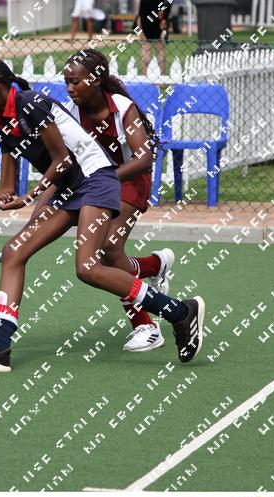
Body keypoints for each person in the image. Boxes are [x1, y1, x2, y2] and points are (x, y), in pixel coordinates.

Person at [0, 58, 205, 372]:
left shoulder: (31, 104)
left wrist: (32, 196)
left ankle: (179, 312)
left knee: (88, 267)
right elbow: (5, 188)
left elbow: (63, 160)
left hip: (96, 181)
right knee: (13, 251)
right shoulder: (2, 123)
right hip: (68, 188)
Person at [57, 48, 174, 352]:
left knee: (108, 247)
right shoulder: (73, 113)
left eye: (75, 82)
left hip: (130, 179)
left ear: (95, 80)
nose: (69, 88)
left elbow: (144, 158)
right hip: (99, 184)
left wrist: (105, 178)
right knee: (106, 251)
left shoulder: (123, 108)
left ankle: (146, 326)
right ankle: (154, 266)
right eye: (66, 82)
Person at [137, 0, 171, 75]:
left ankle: (145, 76)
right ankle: (162, 76)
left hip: (147, 23)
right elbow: (167, 6)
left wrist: (140, 30)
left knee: (146, 48)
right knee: (159, 50)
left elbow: (141, 14)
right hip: (159, 21)